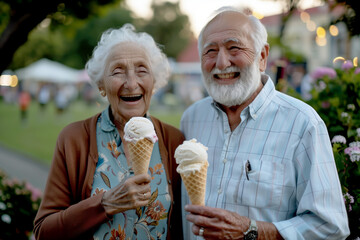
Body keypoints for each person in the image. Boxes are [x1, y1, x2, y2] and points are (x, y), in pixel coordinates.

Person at [180, 7, 350, 240]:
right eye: (210, 51)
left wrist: (251, 230)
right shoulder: (191, 119)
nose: (221, 62)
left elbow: (330, 227)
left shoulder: (302, 124)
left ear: (262, 56)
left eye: (234, 48)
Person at [34, 24, 184, 240]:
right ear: (101, 85)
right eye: (117, 71)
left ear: (154, 83)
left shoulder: (173, 141)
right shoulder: (74, 139)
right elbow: (44, 231)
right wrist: (105, 204)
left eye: (142, 71)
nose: (132, 83)